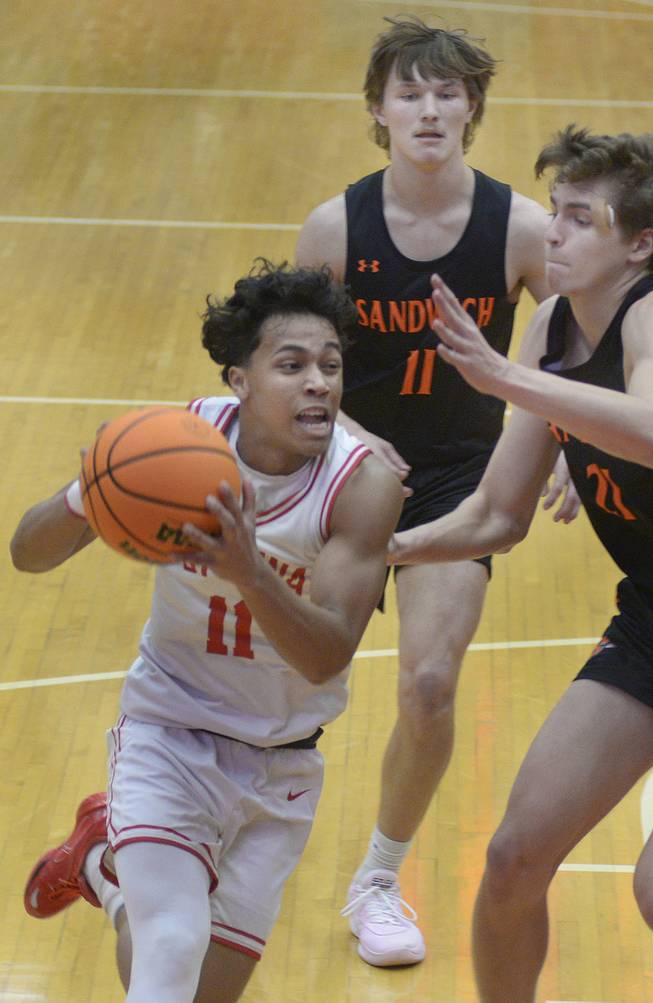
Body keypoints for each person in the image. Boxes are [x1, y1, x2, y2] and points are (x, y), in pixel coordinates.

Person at [388, 125, 653, 1003]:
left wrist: (505, 380)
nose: (554, 234)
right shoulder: (550, 327)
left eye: (579, 219)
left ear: (640, 243)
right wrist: (394, 544)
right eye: (555, 214)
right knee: (511, 857)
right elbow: (499, 515)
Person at [11, 260, 403, 1003]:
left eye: (330, 365)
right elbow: (26, 553)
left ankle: (103, 860)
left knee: (201, 989)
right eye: (291, 365)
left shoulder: (362, 486)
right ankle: (126, 855)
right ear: (240, 381)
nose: (319, 381)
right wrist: (90, 487)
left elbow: (328, 655)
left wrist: (249, 569)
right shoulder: (174, 448)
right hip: (170, 728)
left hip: (282, 758)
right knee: (171, 948)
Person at [296, 15, 579, 967]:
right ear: (378, 109)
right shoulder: (336, 228)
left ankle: (377, 875)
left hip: (454, 481)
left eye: (446, 91)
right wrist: (338, 428)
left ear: (472, 108)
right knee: (285, 681)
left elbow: (587, 349)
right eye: (408, 92)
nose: (427, 108)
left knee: (428, 680)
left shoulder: (523, 230)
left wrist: (578, 445)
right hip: (338, 471)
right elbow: (280, 357)